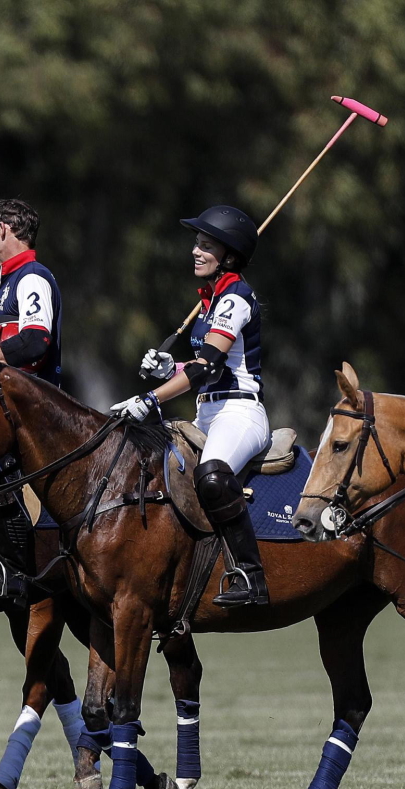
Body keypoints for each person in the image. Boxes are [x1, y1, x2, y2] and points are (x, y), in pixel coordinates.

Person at [112, 205, 269, 607]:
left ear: (229, 257)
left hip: (240, 413)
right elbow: (202, 367)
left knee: (211, 476)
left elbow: (210, 366)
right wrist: (171, 367)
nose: (195, 252)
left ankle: (251, 577)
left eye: (206, 245)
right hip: (207, 412)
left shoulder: (235, 297)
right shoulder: (211, 300)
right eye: (196, 244)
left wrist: (151, 398)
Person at [0, 197, 63, 601]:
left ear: (3, 230)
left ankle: (15, 572)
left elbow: (35, 341)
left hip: (34, 410)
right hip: (11, 406)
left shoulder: (31, 277)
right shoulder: (6, 284)